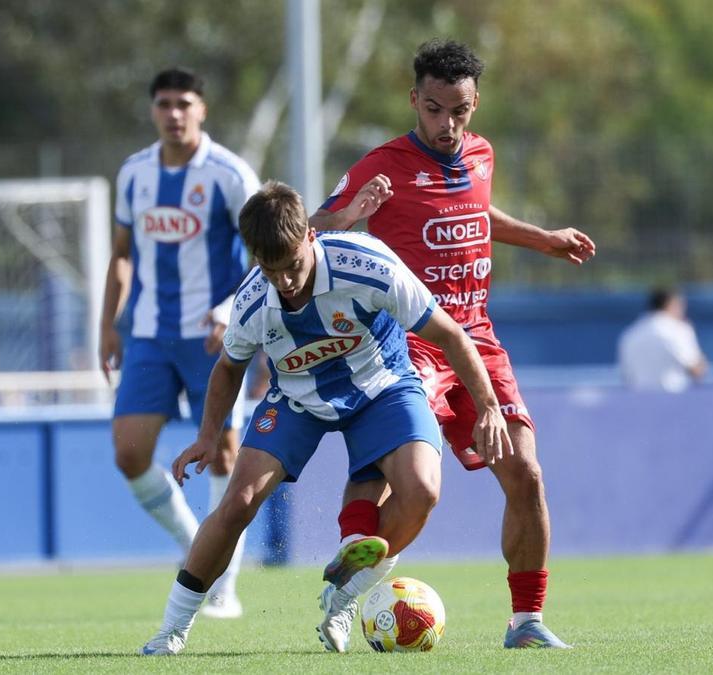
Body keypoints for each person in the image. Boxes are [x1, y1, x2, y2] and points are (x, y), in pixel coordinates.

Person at [140, 181, 511, 655]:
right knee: (238, 502)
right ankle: (172, 629)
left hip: (382, 386)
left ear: (311, 237)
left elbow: (452, 336)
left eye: (292, 266)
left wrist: (490, 408)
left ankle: (345, 596)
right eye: (270, 270)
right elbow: (228, 367)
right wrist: (208, 435)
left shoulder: (369, 267)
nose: (285, 282)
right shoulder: (253, 301)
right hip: (297, 399)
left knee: (422, 489)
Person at [308, 39, 595, 649]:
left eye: (459, 111)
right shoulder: (382, 164)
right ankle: (347, 584)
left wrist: (543, 238)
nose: (447, 124)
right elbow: (308, 227)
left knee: (527, 476)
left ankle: (527, 623)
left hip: (477, 339)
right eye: (434, 109)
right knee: (406, 482)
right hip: (402, 340)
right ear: (415, 100)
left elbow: (477, 210)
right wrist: (350, 214)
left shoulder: (482, 154)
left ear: (475, 103)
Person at [100, 67, 260, 618]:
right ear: (153, 110)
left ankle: (225, 586)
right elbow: (121, 253)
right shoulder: (134, 174)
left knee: (223, 452)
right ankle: (198, 545)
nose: (174, 114)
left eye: (184, 103)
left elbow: (267, 252)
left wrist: (228, 312)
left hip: (214, 336)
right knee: (128, 453)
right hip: (147, 333)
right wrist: (106, 326)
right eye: (164, 103)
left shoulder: (229, 174)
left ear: (202, 109)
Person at [618, 287, 708, 392]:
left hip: (639, 403)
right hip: (672, 402)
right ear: (671, 305)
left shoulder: (630, 334)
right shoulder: (678, 330)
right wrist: (691, 336)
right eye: (680, 306)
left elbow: (627, 376)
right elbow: (697, 371)